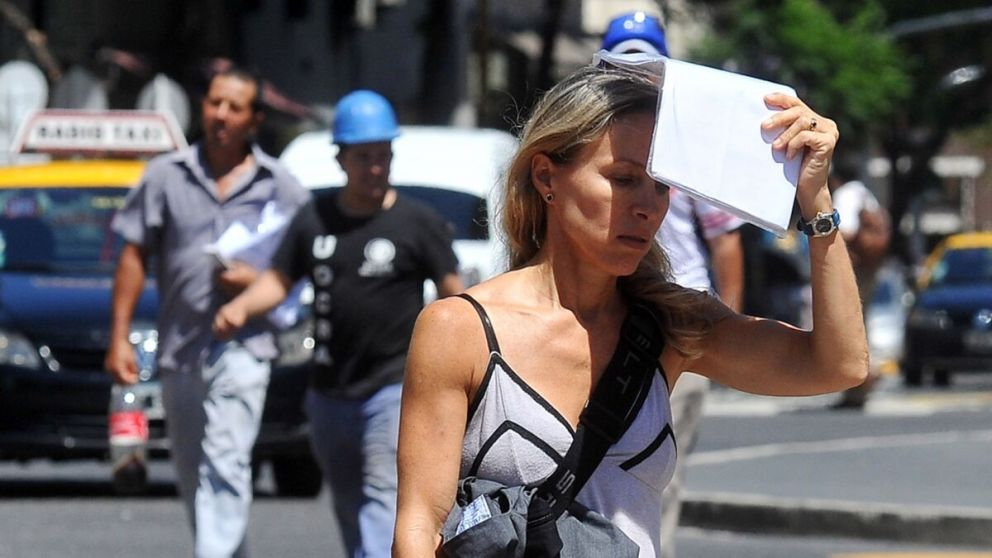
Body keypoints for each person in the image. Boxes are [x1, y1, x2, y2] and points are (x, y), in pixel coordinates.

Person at [391, 62, 867, 557]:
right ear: (546, 176)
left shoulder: (668, 325)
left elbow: (840, 365)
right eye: (623, 179)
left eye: (660, 186)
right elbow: (420, 528)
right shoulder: (459, 329)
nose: (648, 207)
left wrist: (817, 204)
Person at [213, 89, 464, 558]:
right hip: (328, 394)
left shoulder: (418, 224)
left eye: (383, 156)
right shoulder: (315, 218)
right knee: (348, 503)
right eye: (364, 156)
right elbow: (278, 281)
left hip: (392, 389)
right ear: (341, 158)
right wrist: (241, 307)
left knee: (381, 496)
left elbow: (456, 296)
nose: (375, 167)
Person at [105, 66, 310, 557]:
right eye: (214, 103)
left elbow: (304, 267)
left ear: (254, 119)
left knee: (227, 460)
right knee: (194, 469)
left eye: (234, 107)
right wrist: (119, 337)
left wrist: (255, 284)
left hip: (245, 345)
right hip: (181, 347)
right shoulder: (165, 176)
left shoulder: (280, 186)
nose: (220, 115)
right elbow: (132, 256)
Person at [602, 11, 745, 557]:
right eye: (623, 67)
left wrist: (723, 330)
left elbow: (726, 240)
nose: (637, 80)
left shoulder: (691, 149)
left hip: (678, 327)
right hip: (606, 322)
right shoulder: (591, 140)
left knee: (659, 476)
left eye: (647, 68)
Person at [829, 154, 891, 406]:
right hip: (871, 266)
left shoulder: (845, 194)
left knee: (848, 324)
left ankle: (865, 375)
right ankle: (856, 388)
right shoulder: (865, 192)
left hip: (855, 271)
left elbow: (847, 230)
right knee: (859, 323)